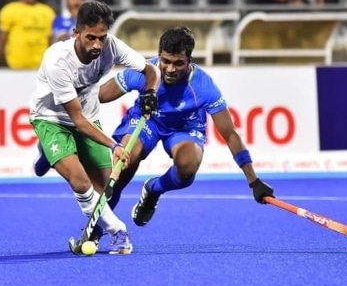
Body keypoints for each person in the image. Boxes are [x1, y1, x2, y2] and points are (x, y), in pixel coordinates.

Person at [98, 27, 274, 229]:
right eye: (166, 62)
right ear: (158, 57)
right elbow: (99, 96)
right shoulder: (144, 71)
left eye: (178, 63)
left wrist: (253, 181)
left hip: (184, 127)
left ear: (189, 61)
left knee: (188, 167)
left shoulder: (204, 86)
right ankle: (100, 226)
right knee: (125, 162)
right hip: (148, 120)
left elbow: (231, 135)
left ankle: (154, 189)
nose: (170, 69)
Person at [29, 0, 160, 255]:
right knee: (80, 182)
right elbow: (76, 120)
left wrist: (150, 94)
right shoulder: (57, 60)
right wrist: (115, 144)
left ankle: (49, 154)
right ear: (76, 32)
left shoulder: (112, 47)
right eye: (90, 37)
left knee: (104, 192)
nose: (97, 45)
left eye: (102, 37)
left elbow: (150, 70)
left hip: (88, 118)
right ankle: (118, 231)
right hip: (52, 120)